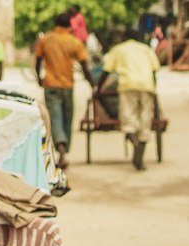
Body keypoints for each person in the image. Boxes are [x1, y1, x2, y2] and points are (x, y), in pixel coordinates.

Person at [98, 28, 160, 170]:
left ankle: (135, 141)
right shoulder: (146, 49)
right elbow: (154, 70)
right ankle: (141, 143)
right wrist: (154, 88)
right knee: (145, 117)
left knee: (128, 116)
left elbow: (106, 71)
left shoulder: (119, 50)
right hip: (147, 85)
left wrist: (98, 89)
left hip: (128, 85)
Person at [34, 13, 91, 169]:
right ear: (69, 26)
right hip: (67, 85)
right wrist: (92, 83)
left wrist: (39, 77)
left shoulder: (45, 40)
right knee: (66, 118)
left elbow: (38, 60)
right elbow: (85, 65)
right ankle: (62, 151)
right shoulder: (74, 41)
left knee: (55, 118)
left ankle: (61, 151)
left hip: (51, 85)